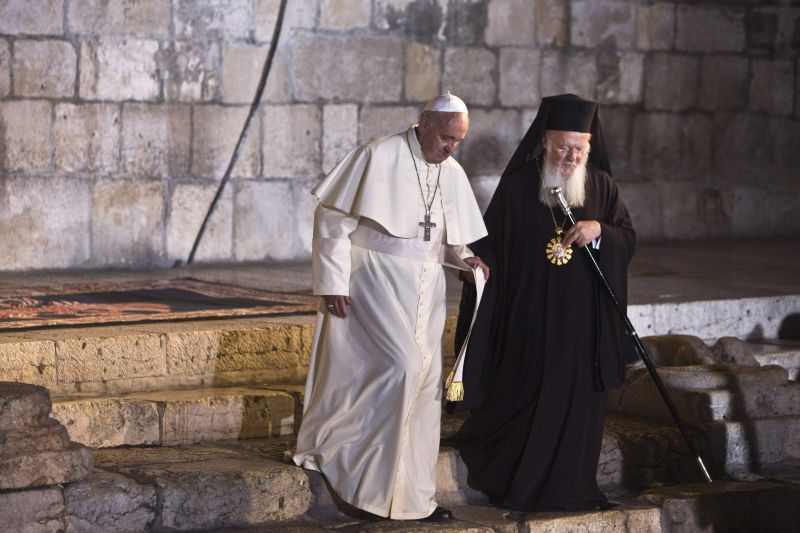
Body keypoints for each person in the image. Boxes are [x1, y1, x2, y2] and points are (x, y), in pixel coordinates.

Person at [293, 93, 490, 522]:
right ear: (423, 123)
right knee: (400, 370)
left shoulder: (451, 171)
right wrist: (331, 280)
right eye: (445, 138)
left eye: (458, 141)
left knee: (424, 385)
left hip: (426, 291)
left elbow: (443, 237)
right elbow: (331, 219)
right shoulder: (377, 154)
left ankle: (414, 500)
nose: (450, 148)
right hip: (374, 282)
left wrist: (465, 257)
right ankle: (364, 486)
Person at [449, 94, 637, 512]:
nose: (570, 156)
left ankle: (571, 489)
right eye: (562, 147)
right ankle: (518, 485)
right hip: (529, 321)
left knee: (577, 410)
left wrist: (600, 231)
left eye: (579, 149)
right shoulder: (518, 186)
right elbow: (490, 245)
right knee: (525, 402)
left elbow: (628, 237)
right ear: (545, 141)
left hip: (581, 328)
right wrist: (476, 267)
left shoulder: (602, 187)